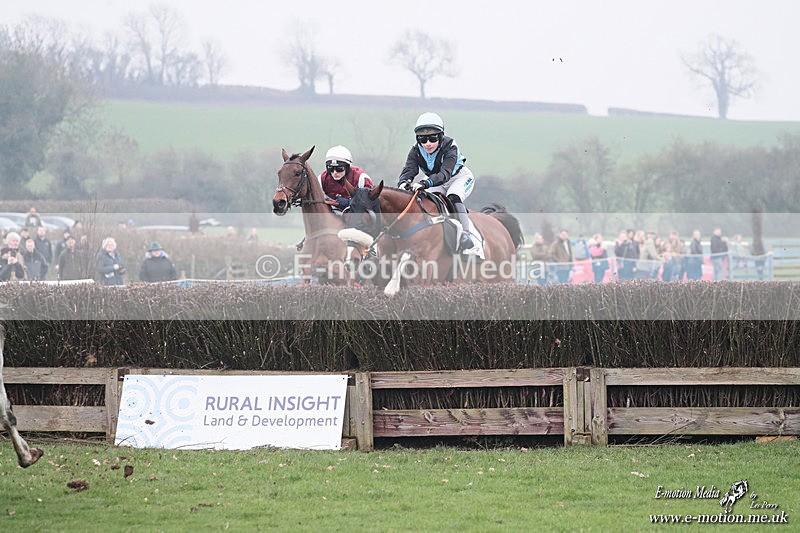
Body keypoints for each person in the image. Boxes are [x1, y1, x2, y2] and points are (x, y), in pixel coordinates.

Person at [397, 112, 477, 253]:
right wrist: (403, 183)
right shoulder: (415, 150)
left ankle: (465, 234)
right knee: (424, 201)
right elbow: (409, 169)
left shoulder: (450, 146)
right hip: (436, 182)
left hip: (458, 178)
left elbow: (445, 173)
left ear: (440, 136)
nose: (428, 144)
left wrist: (425, 183)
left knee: (453, 197)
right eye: (423, 139)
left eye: (433, 138)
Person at [319, 145, 374, 211]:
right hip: (331, 211)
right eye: (330, 168)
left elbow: (371, 201)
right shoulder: (321, 179)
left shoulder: (361, 178)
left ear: (348, 167)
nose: (335, 172)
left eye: (339, 168)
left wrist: (350, 202)